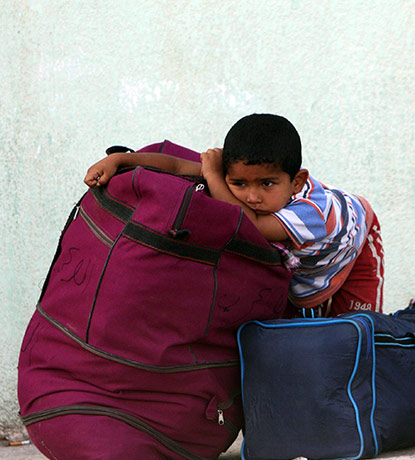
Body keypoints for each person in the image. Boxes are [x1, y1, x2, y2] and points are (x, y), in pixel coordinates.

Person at [84, 113, 384, 316]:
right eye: (239, 184)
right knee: (307, 337)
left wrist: (215, 177)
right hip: (308, 259)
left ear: (296, 181)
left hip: (355, 246)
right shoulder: (231, 180)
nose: (252, 197)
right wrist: (119, 160)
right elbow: (175, 166)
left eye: (267, 184)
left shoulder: (312, 213)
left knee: (356, 333)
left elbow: (250, 226)